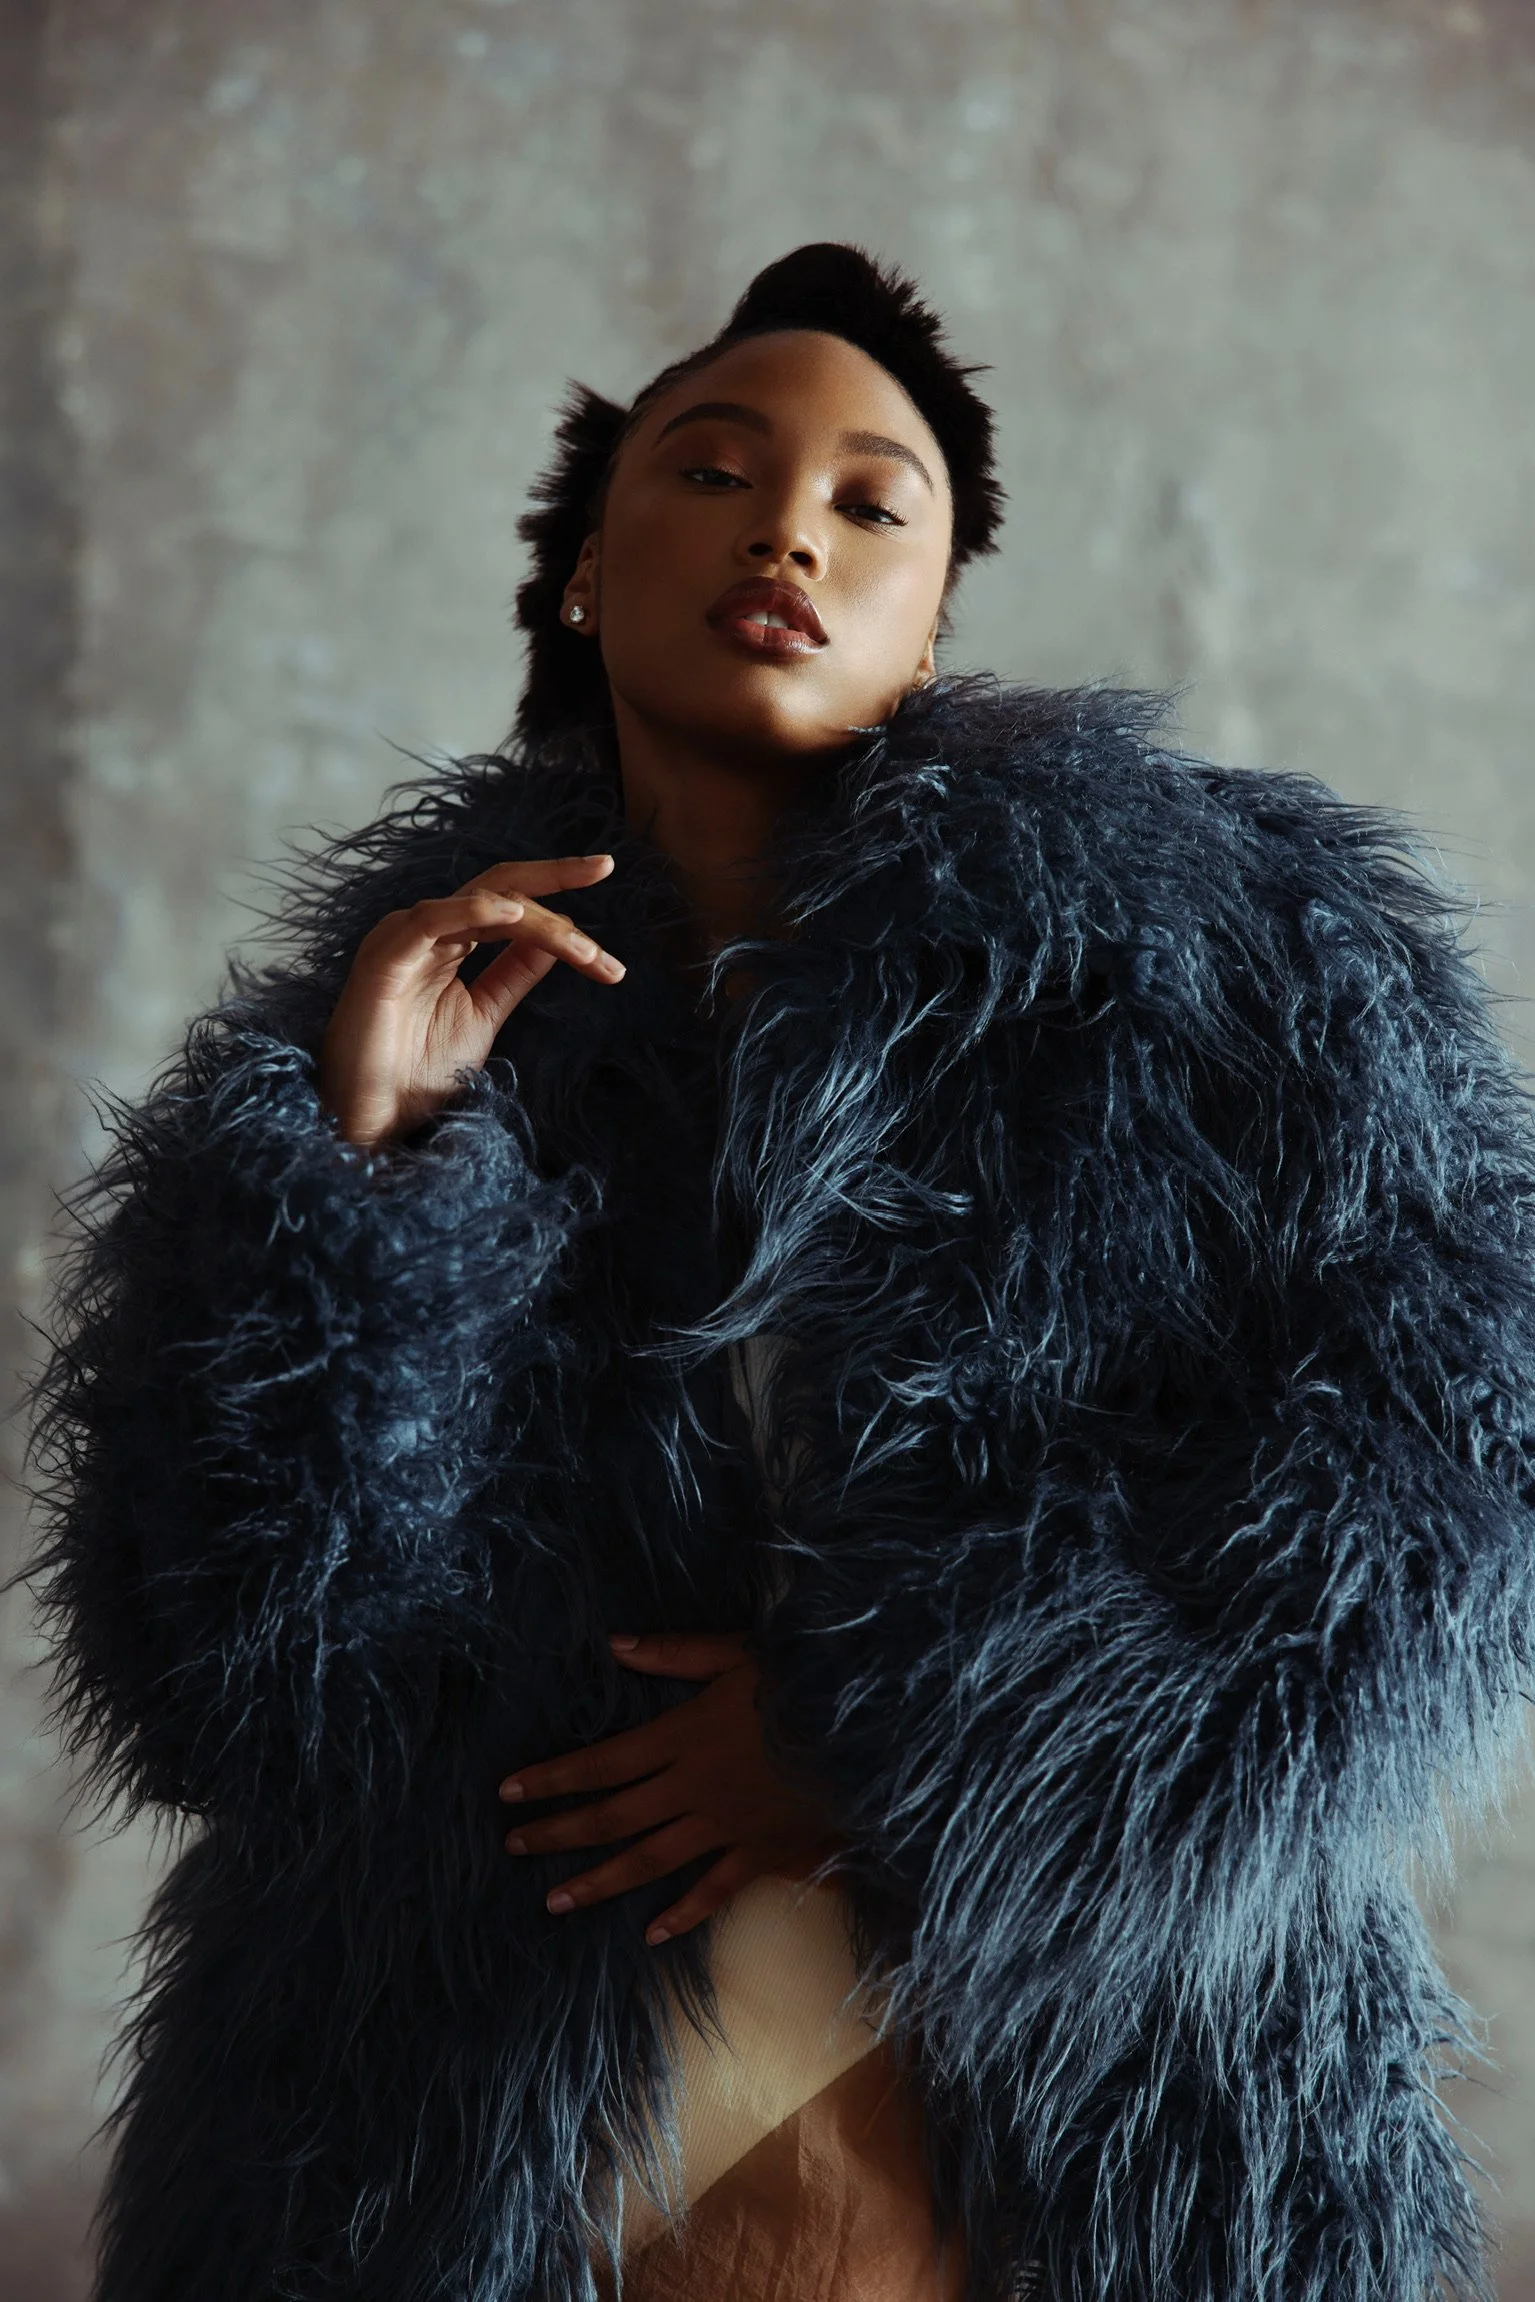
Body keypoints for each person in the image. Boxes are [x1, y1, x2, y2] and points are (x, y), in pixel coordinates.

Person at [29, 242, 1535, 2302]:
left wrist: (892, 1736)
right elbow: (227, 1695)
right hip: (456, 2163)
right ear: (577, 567)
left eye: (867, 501)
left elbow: (1446, 1490)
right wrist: (368, 1184)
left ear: (934, 618)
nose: (785, 531)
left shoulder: (1242, 976)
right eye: (710, 470)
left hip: (1091, 2128)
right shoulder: (365, 1058)